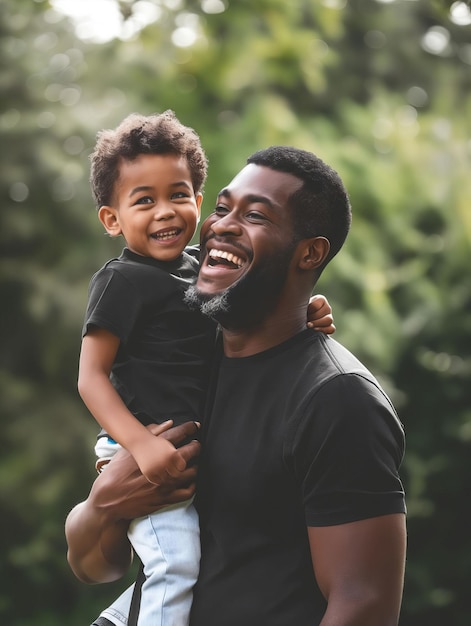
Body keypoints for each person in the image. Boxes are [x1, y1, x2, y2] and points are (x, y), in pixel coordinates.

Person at [67, 145, 406, 626]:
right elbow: (94, 567)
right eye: (223, 208)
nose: (222, 225)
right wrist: (103, 504)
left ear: (309, 252)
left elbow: (363, 603)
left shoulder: (338, 399)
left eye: (255, 216)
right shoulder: (185, 366)